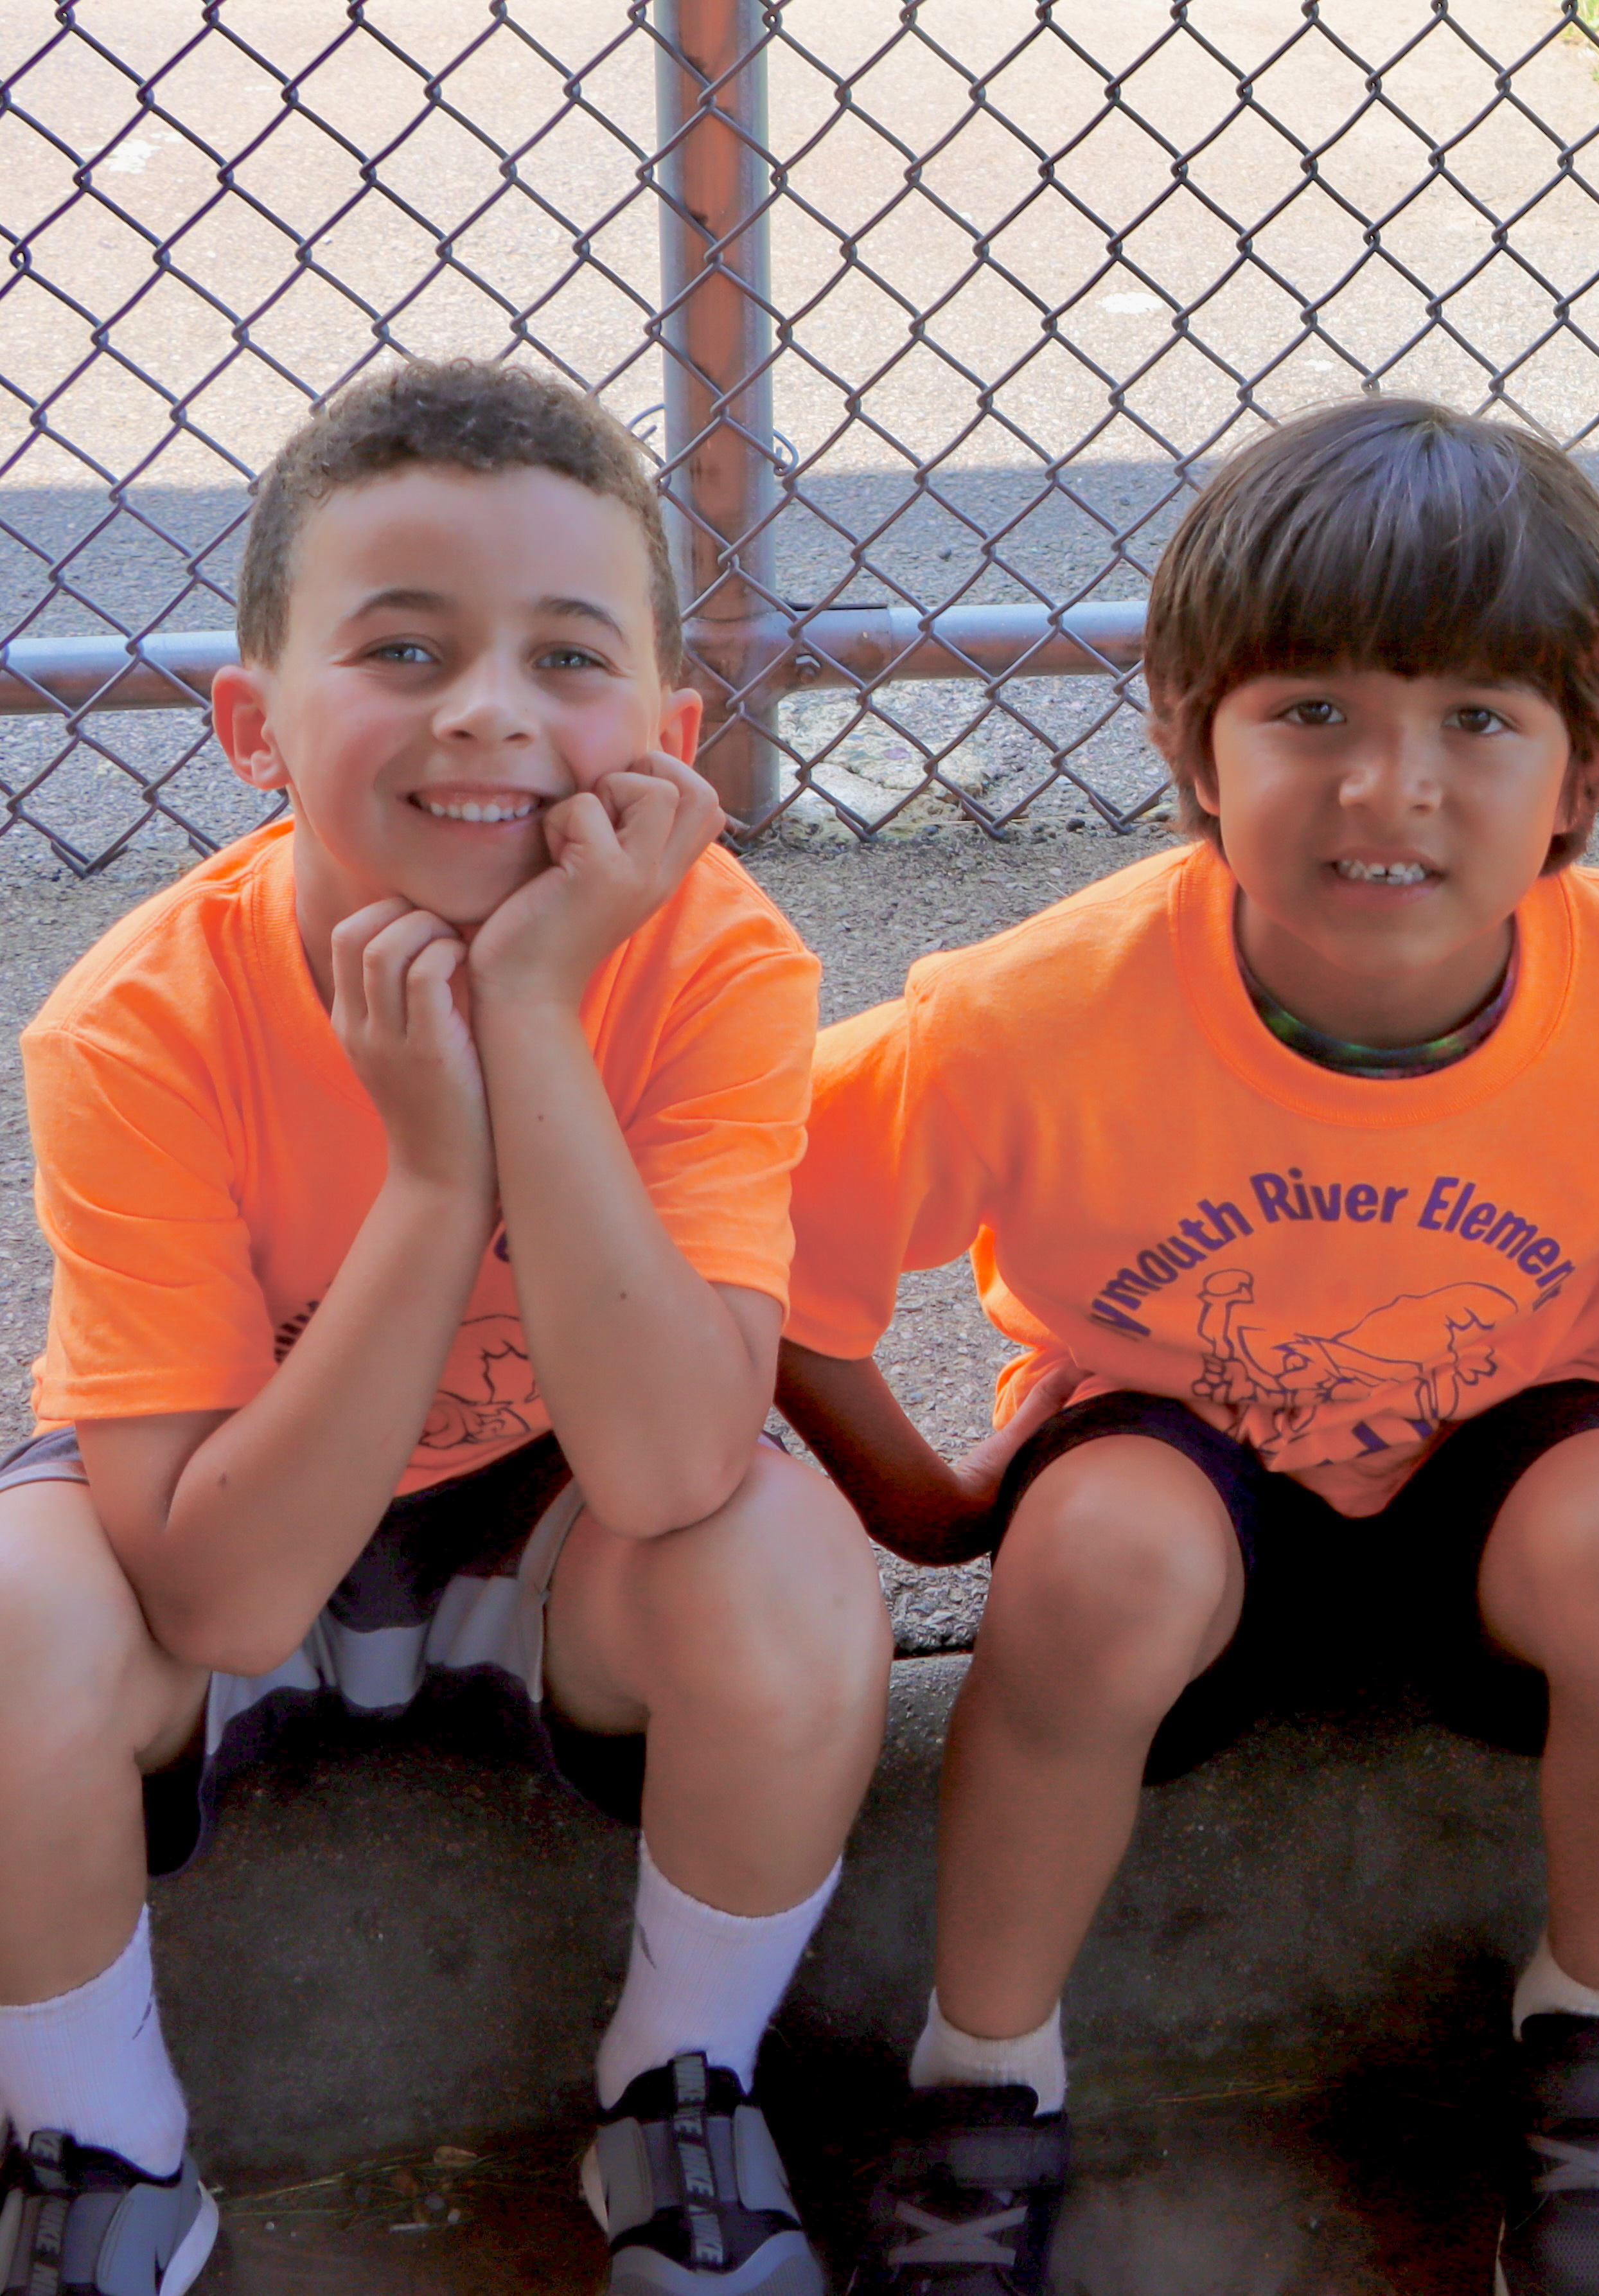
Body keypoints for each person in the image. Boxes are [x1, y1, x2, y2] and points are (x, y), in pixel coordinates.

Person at [776, 396, 1599, 2296]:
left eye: (1476, 721)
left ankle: (1597, 2032)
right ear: (1192, 734)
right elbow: (775, 1237)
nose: (1388, 787)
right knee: (1094, 1553)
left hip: (1505, 1460)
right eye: (1314, 713)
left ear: (1591, 761)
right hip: (1182, 1473)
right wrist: (926, 1504)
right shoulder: (1035, 1016)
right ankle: (987, 2068)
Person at [0, 361, 891, 2296]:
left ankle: (678, 2093)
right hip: (229, 1536)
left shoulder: (721, 958)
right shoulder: (134, 1024)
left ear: (663, 734)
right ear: (253, 723)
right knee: (11, 1616)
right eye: (403, 649)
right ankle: (100, 2146)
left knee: (801, 1576)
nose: (489, 709)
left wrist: (539, 1033)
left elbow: (670, 1465)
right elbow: (218, 1603)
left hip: (559, 1525)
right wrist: (427, 1186)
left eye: (565, 659)